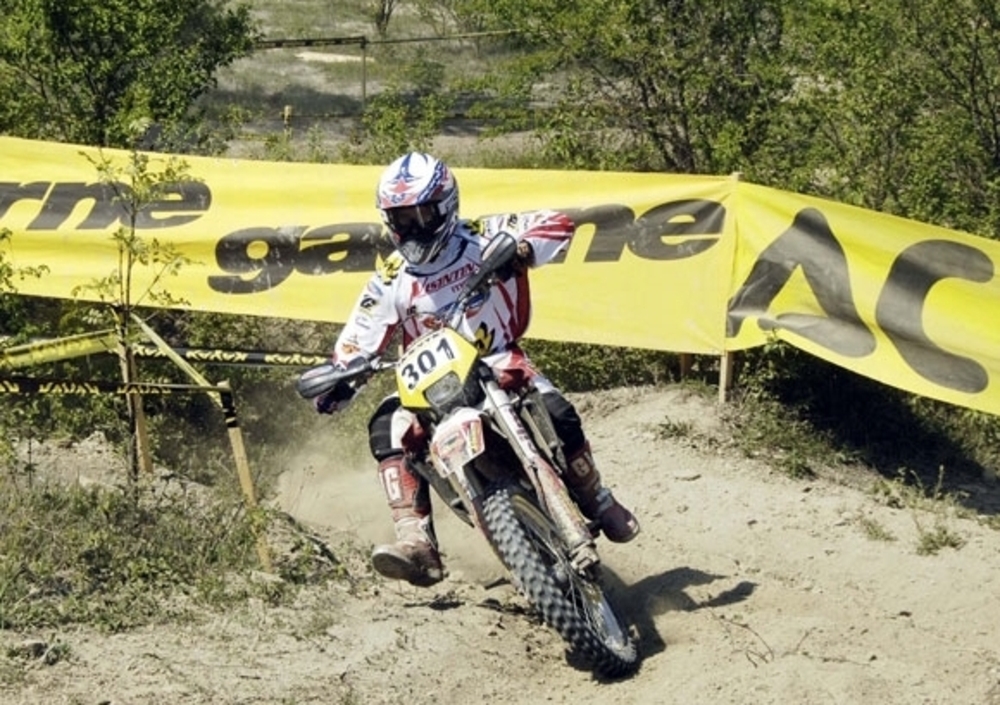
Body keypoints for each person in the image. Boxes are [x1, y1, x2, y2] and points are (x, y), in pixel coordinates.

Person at [312, 152, 639, 587]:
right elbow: (357, 342)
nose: (413, 227)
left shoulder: (483, 236)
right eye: (401, 218)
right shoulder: (389, 280)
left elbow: (557, 223)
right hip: (430, 385)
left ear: (447, 206)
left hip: (496, 360)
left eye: (422, 215)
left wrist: (521, 250)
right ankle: (416, 540)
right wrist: (339, 379)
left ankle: (596, 497)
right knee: (387, 424)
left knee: (557, 409)